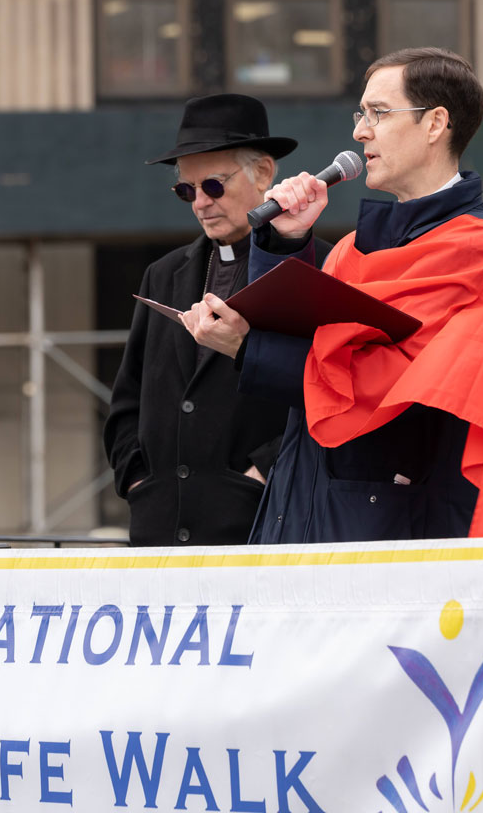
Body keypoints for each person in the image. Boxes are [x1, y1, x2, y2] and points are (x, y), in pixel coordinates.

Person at [181, 48, 483, 543]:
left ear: (435, 124)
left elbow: (390, 384)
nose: (360, 132)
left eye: (379, 113)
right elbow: (304, 342)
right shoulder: (353, 247)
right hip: (299, 511)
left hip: (389, 528)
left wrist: (247, 348)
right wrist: (286, 241)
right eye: (360, 114)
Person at [104, 93, 331, 546]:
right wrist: (137, 479)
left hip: (262, 520)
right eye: (186, 190)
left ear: (263, 172)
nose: (200, 203)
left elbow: (332, 391)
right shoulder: (163, 274)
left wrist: (263, 472)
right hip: (160, 526)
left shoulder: (318, 266)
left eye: (213, 185)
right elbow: (127, 400)